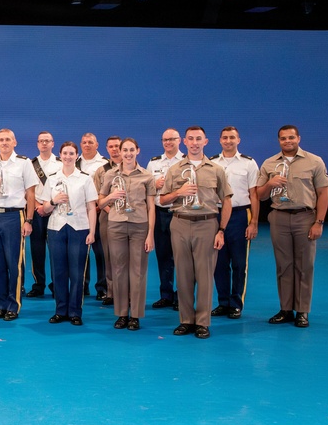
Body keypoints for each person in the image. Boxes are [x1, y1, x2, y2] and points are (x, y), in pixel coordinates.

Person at [159, 126, 231, 340]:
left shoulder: (216, 169)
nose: (194, 142)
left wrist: (221, 230)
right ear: (184, 142)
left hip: (207, 224)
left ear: (205, 142)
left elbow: (226, 201)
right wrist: (179, 192)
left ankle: (202, 322)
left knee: (205, 275)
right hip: (180, 222)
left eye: (198, 139)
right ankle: (186, 320)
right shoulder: (175, 169)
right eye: (190, 139)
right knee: (183, 275)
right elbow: (162, 199)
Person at [256, 125, 328, 328]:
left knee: (304, 266)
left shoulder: (314, 161)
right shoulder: (269, 163)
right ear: (278, 141)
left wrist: (319, 222)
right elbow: (260, 195)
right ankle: (286, 309)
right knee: (283, 265)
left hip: (305, 217)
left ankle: (302, 311)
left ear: (298, 138)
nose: (287, 141)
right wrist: (270, 184)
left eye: (291, 137)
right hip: (279, 218)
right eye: (283, 138)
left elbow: (323, 193)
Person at [0, 129, 39, 321]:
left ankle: (14, 305)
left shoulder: (24, 163)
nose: (4, 143)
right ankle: (1, 305)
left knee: (14, 263)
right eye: (1, 140)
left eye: (8, 139)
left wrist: (29, 220)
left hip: (14, 215)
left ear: (15, 142)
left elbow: (31, 194)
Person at [98, 138, 155, 331]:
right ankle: (122, 314)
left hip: (140, 226)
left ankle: (135, 315)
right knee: (119, 270)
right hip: (116, 225)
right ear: (120, 152)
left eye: (132, 150)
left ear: (137, 151)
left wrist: (150, 234)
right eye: (125, 150)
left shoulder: (147, 176)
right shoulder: (110, 174)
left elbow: (151, 207)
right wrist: (111, 197)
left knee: (138, 271)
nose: (128, 154)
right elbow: (100, 203)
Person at [38, 141, 97, 326]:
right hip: (56, 227)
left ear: (76, 156)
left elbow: (91, 207)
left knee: (77, 272)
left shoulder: (85, 178)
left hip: (79, 228)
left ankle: (75, 311)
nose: (68, 156)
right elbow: (44, 209)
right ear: (60, 155)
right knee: (58, 271)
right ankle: (60, 310)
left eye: (71, 153)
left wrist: (92, 231)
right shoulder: (52, 178)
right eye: (65, 153)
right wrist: (53, 201)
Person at [210, 127, 259, 320]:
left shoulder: (248, 163)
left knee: (239, 263)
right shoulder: (212, 162)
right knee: (219, 262)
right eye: (225, 137)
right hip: (216, 214)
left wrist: (254, 222)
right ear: (220, 140)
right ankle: (223, 302)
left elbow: (254, 194)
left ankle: (236, 303)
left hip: (240, 215)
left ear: (238, 140)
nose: (228, 140)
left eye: (232, 137)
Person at [146, 128, 183, 310]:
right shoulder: (153, 163)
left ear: (179, 140)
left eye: (172, 139)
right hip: (160, 213)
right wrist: (154, 184)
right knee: (163, 255)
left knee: (182, 256)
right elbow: (146, 188)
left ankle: (181, 296)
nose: (168, 143)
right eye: (165, 140)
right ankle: (166, 295)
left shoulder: (186, 161)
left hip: (179, 212)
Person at [27, 132, 61, 298]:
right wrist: (38, 206)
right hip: (36, 211)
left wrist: (50, 206)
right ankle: (38, 284)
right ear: (37, 144)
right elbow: (27, 189)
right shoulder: (30, 164)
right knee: (37, 250)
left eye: (47, 141)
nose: (44, 144)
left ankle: (57, 285)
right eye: (41, 141)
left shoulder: (60, 163)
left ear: (53, 143)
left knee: (56, 250)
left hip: (55, 210)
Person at [76, 132, 108, 299]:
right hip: (79, 214)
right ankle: (82, 285)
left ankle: (102, 287)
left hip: (99, 212)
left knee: (101, 252)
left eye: (90, 142)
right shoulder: (74, 162)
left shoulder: (105, 164)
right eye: (84, 142)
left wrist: (98, 206)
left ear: (97, 145)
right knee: (81, 251)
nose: (87, 145)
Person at [91, 136, 122, 305]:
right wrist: (110, 210)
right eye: (111, 146)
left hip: (128, 217)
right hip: (107, 216)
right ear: (107, 149)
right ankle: (110, 292)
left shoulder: (132, 168)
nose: (114, 149)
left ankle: (125, 292)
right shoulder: (101, 171)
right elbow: (96, 195)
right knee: (108, 255)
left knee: (125, 256)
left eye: (117, 146)